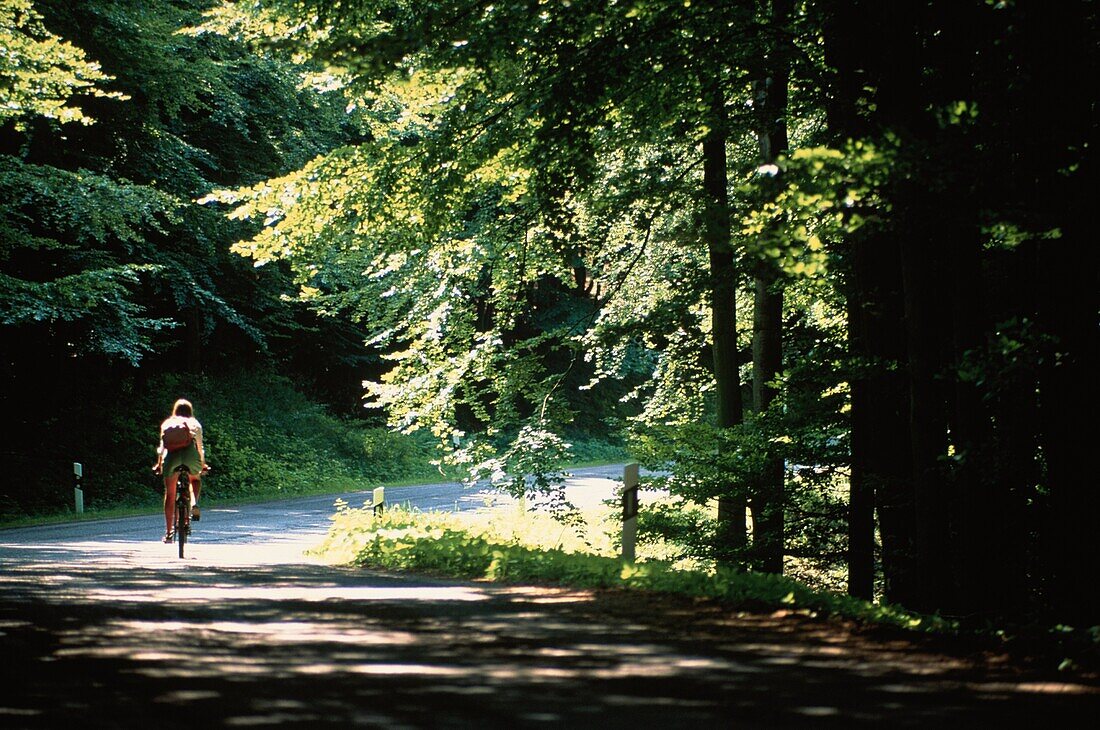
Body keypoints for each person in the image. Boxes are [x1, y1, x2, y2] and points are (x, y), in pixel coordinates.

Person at [153, 398, 207, 543]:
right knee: (195, 480)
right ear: (190, 411)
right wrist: (202, 464)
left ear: (175, 411)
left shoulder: (168, 423)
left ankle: (169, 532)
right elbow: (200, 448)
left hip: (171, 458)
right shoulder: (195, 424)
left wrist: (159, 465)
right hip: (191, 456)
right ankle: (193, 503)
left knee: (170, 494)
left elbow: (162, 448)